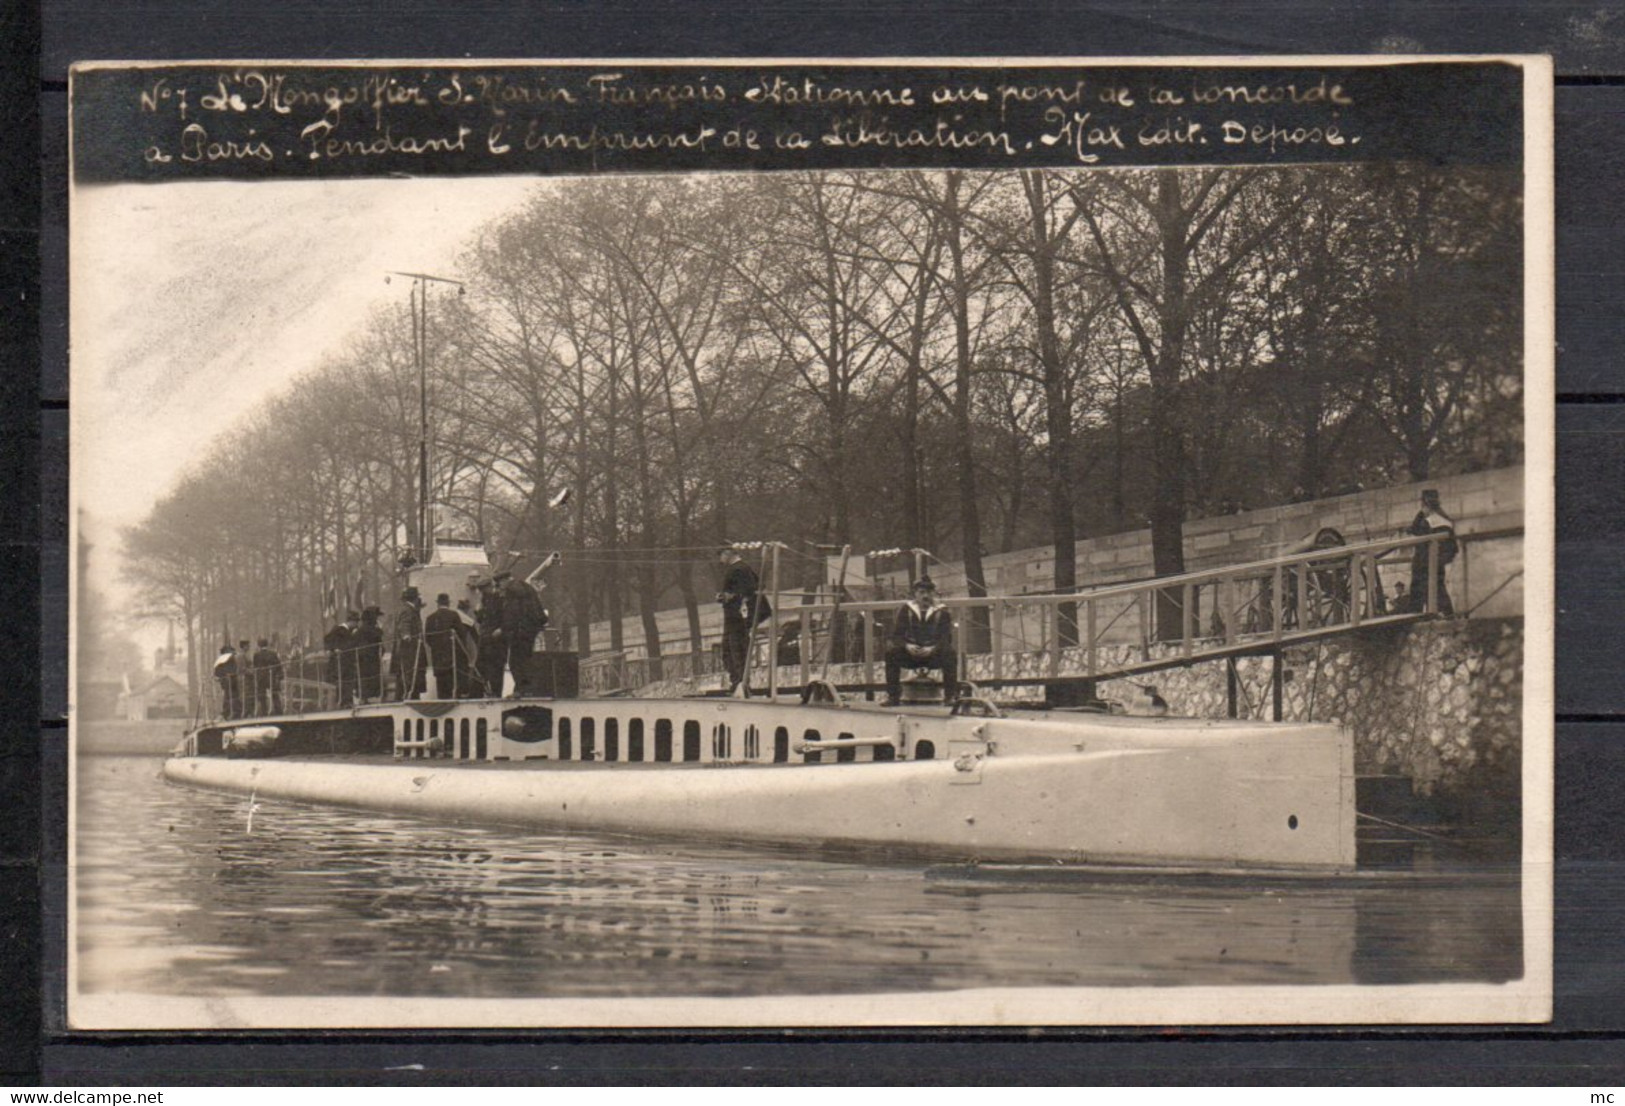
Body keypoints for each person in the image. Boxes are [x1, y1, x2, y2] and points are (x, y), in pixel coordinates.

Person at [884, 575, 958, 706]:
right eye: (921, 592)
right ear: (915, 594)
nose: (925, 596)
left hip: (932, 655)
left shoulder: (942, 611)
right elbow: (897, 635)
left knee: (950, 654)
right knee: (891, 654)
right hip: (911, 654)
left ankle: (950, 696)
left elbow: (946, 638)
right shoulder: (906, 610)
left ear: (933, 594)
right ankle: (893, 696)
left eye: (929, 592)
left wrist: (933, 648)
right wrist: (907, 646)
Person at [716, 546, 769, 695]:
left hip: (736, 617)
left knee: (735, 650)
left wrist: (728, 597)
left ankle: (740, 683)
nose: (720, 559)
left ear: (728, 553)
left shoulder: (738, 569)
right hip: (736, 617)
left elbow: (748, 590)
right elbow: (757, 586)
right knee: (730, 650)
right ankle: (738, 682)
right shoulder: (743, 568)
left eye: (721, 555)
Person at [1404, 488, 1458, 615]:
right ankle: (1445, 614)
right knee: (1437, 590)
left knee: (1421, 591)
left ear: (1425, 505)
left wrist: (1421, 513)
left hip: (1424, 563)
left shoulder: (1428, 522)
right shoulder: (1444, 520)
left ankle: (1416, 615)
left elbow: (1414, 529)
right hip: (1435, 563)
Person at [498, 569, 549, 696]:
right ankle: (526, 690)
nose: (500, 587)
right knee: (526, 659)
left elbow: (512, 614)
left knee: (515, 661)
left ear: (504, 581)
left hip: (519, 631)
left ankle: (521, 690)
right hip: (531, 629)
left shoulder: (511, 591)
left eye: (499, 584)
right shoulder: (527, 587)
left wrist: (503, 629)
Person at [424, 593, 464, 699]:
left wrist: (436, 647)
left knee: (441, 683)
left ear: (438, 604)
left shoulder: (430, 618)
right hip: (453, 655)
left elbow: (427, 638)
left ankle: (442, 702)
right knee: (454, 680)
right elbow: (461, 635)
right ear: (448, 603)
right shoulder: (454, 615)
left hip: (437, 656)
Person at [391, 586, 428, 700]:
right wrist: (406, 635)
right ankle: (409, 696)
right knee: (410, 673)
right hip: (410, 649)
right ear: (415, 599)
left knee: (408, 674)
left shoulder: (405, 609)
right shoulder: (407, 610)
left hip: (409, 649)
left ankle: (408, 695)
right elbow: (404, 624)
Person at [473, 577, 507, 698]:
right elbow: (482, 620)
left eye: (483, 589)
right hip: (485, 640)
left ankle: (496, 693)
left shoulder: (499, 600)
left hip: (496, 641)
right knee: (481, 668)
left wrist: (501, 629)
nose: (482, 592)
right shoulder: (485, 601)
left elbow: (506, 617)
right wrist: (477, 611)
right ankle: (480, 693)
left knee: (496, 669)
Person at [323, 612, 357, 708]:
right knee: (342, 681)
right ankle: (343, 701)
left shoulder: (347, 631)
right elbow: (327, 639)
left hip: (346, 661)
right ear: (351, 622)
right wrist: (334, 648)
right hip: (340, 662)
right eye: (355, 622)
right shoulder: (339, 629)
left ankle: (346, 701)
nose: (356, 625)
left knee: (346, 681)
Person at [454, 598, 485, 698]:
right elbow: (475, 638)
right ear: (467, 609)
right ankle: (467, 692)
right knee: (467, 670)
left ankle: (458, 693)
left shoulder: (452, 615)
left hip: (452, 651)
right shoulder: (467, 621)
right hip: (465, 651)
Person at [354, 606, 385, 703]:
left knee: (367, 678)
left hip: (368, 658)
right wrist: (380, 629)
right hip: (368, 658)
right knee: (367, 678)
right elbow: (376, 635)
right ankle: (365, 698)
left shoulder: (362, 628)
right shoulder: (368, 628)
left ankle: (365, 698)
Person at [252, 637, 284, 716]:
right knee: (275, 694)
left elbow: (255, 667)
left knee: (262, 695)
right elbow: (278, 665)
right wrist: (279, 676)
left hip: (261, 678)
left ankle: (264, 712)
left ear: (259, 645)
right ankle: (278, 711)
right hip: (271, 676)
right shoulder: (273, 653)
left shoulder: (256, 655)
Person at [213, 643, 240, 719]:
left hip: (229, 681)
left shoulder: (222, 661)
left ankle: (229, 712)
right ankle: (230, 712)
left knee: (230, 697)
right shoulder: (228, 660)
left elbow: (217, 673)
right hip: (230, 681)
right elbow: (218, 672)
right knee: (231, 696)